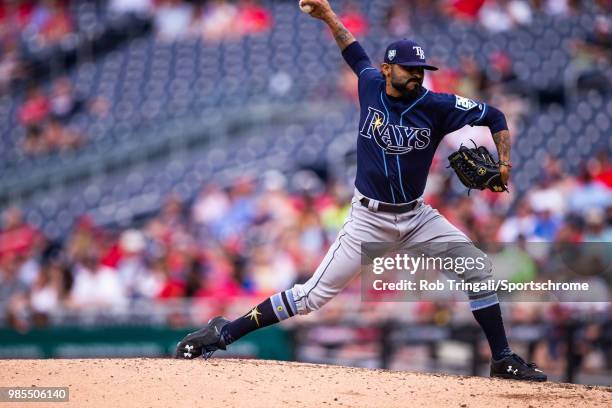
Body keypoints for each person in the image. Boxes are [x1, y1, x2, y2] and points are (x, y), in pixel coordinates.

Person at [175, 0, 546, 382]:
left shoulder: (437, 105)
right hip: (369, 219)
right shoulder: (370, 83)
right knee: (310, 297)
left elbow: (495, 116)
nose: (417, 76)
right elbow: (351, 47)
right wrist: (329, 16)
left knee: (476, 270)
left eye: (422, 70)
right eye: (409, 69)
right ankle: (222, 333)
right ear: (388, 69)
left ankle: (502, 358)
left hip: (417, 217)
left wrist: (502, 165)